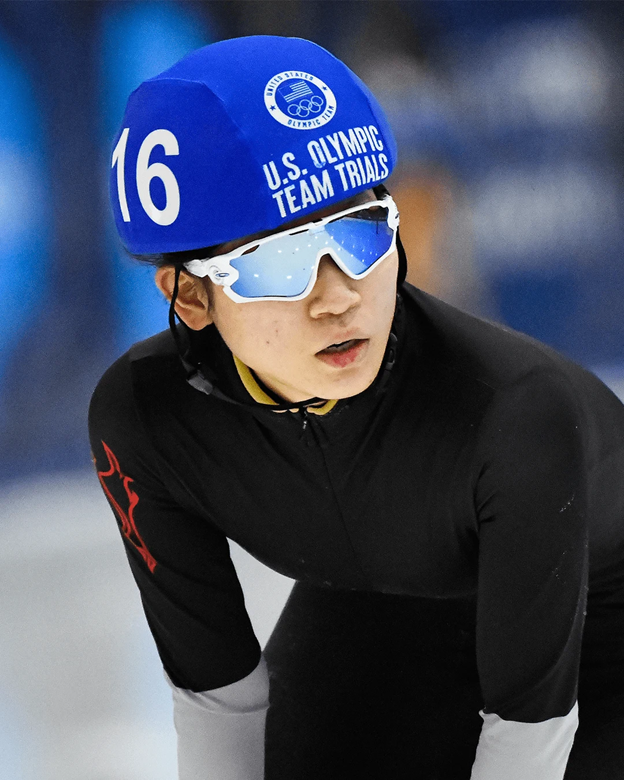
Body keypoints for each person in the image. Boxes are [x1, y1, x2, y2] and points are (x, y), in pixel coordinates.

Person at [89, 35, 624, 780]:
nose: (340, 296)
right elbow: (219, 706)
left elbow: (530, 736)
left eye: (361, 232)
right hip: (391, 607)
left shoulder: (512, 412)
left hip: (602, 629)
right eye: (281, 261)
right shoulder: (148, 420)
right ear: (190, 296)